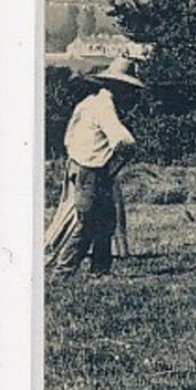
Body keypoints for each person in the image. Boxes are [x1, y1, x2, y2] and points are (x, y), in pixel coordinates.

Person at [48, 56, 144, 277]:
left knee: (105, 220)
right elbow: (124, 140)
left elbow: (68, 136)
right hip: (90, 170)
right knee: (88, 222)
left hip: (83, 165)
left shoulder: (88, 103)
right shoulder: (105, 107)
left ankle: (99, 271)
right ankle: (63, 272)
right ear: (118, 86)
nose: (129, 94)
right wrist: (118, 160)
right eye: (127, 88)